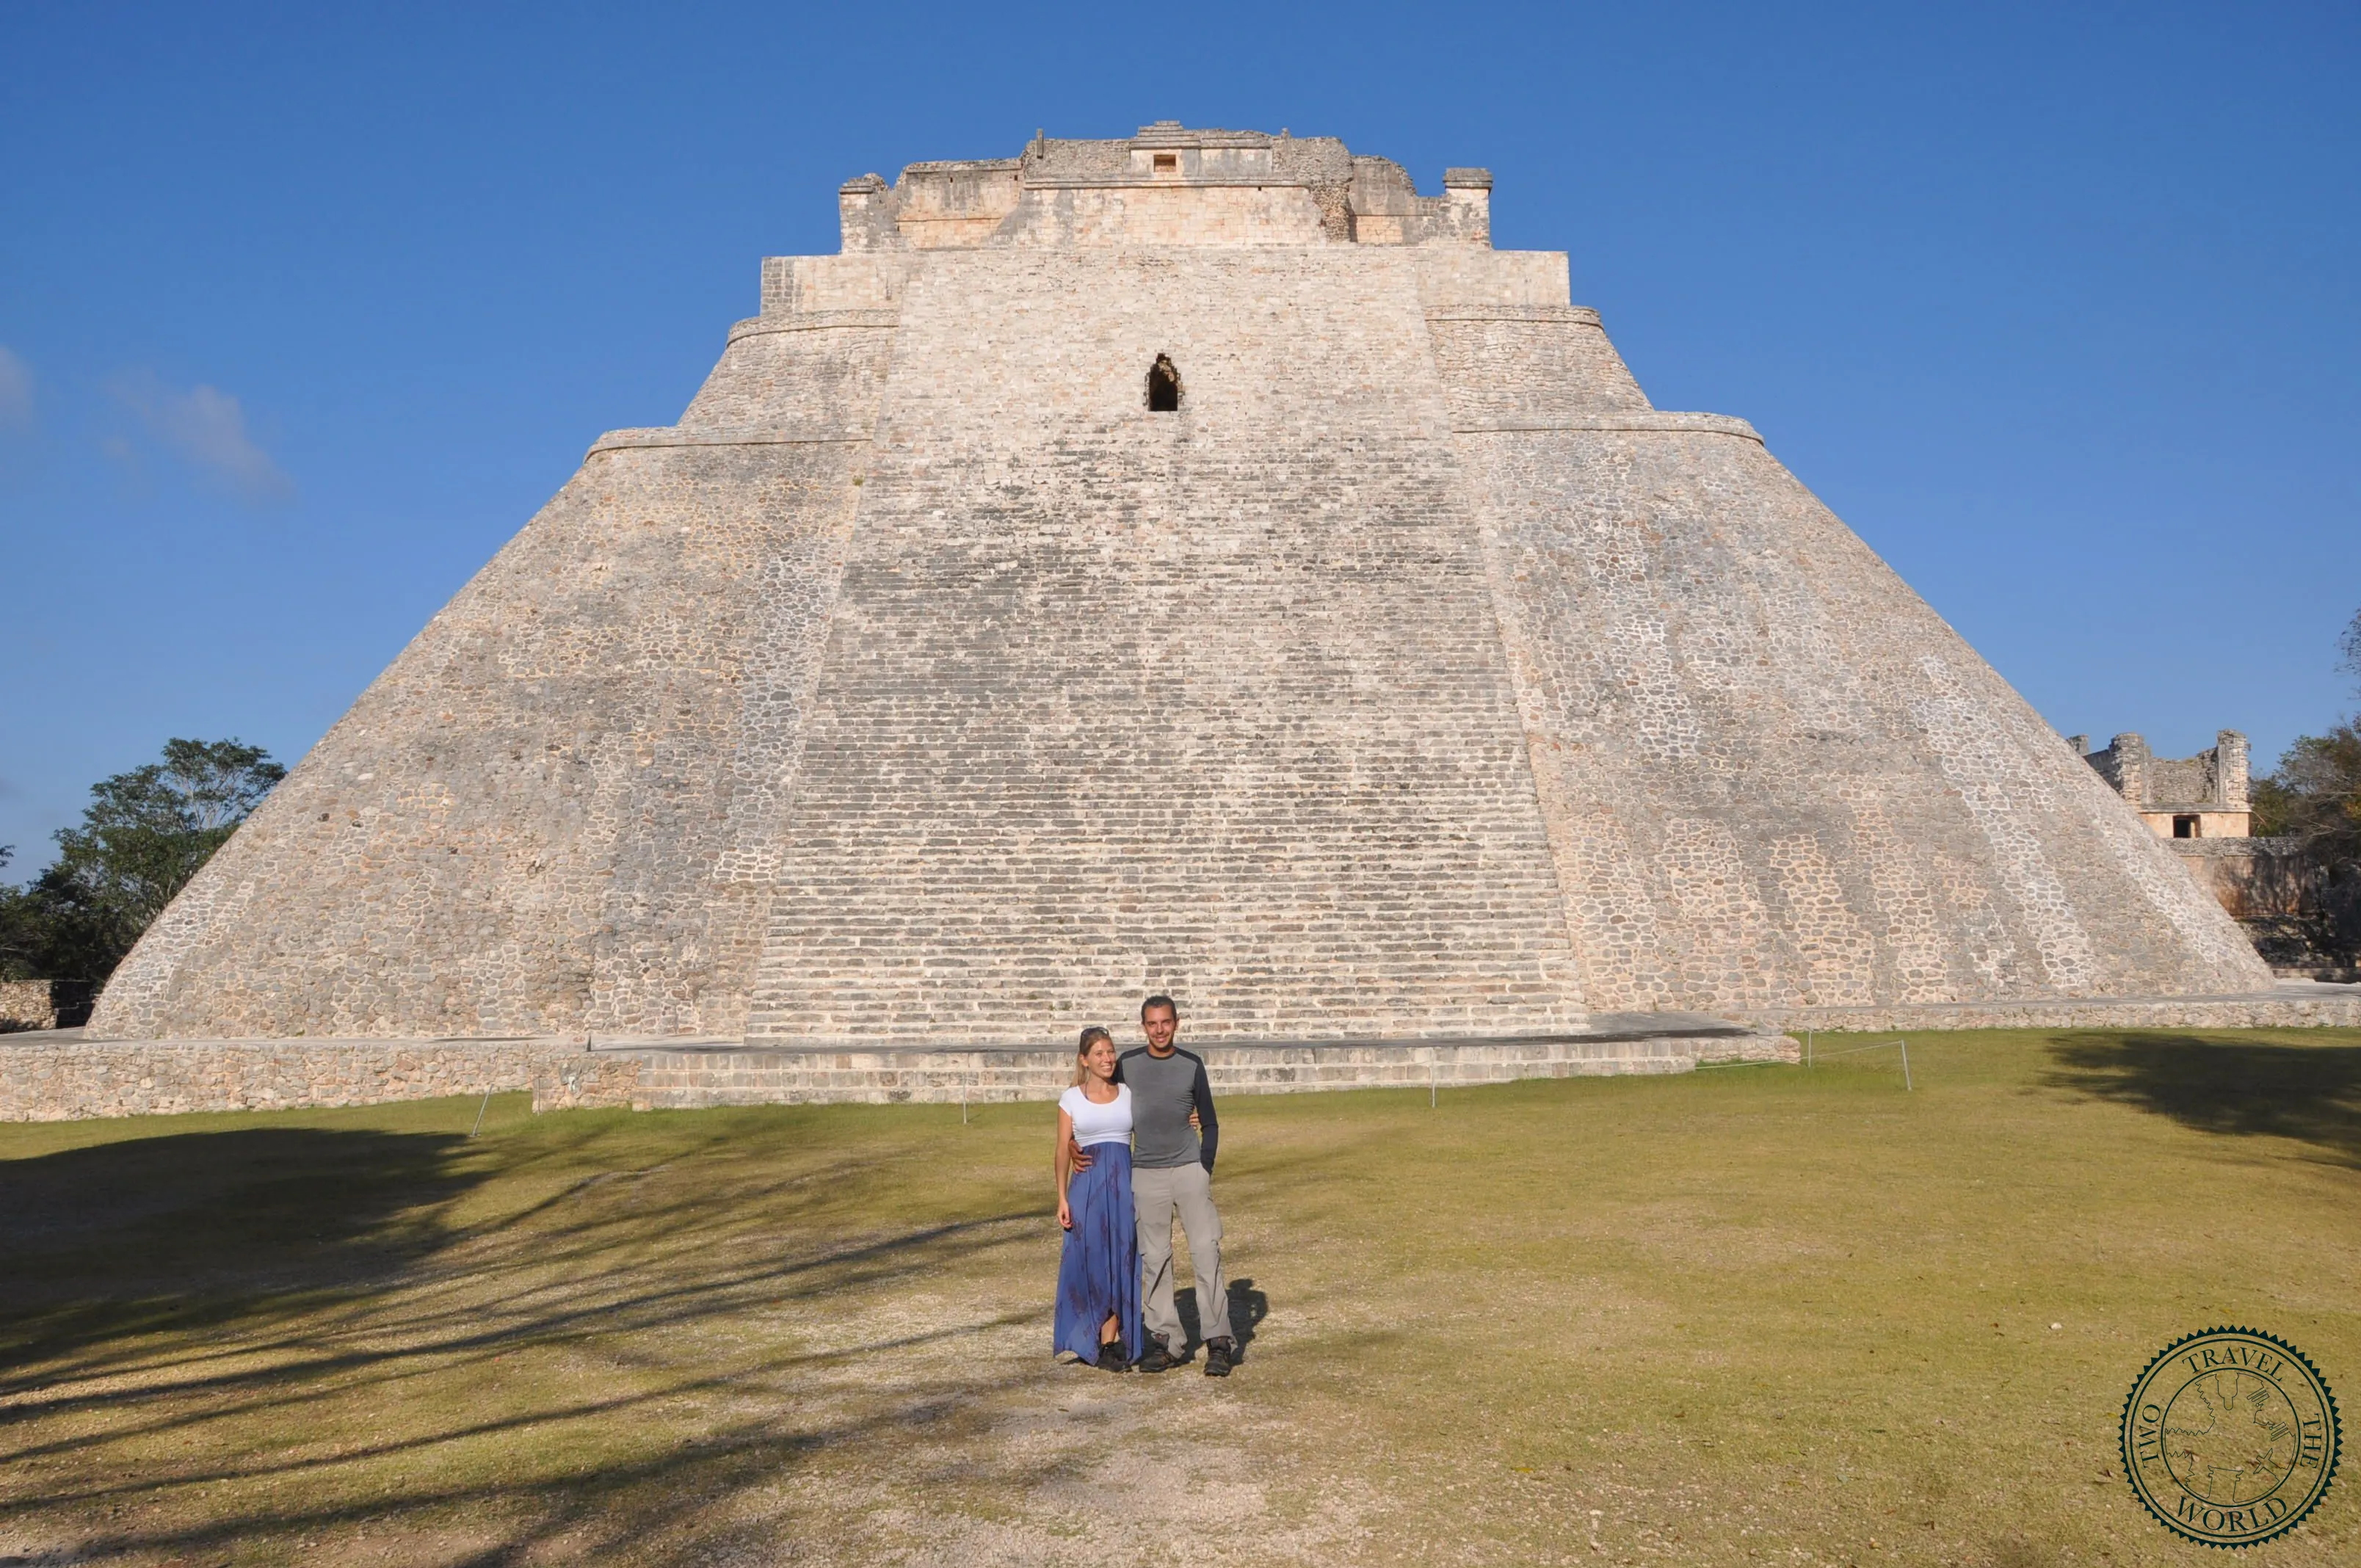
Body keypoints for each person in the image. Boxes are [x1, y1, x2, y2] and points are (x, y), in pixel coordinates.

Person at [1115, 994, 1236, 1376]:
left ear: (1177, 1022)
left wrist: (1205, 1164)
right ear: (1143, 1026)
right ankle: (1167, 1341)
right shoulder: (1128, 1065)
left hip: (1188, 1169)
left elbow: (1211, 1121)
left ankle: (1218, 1341)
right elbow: (1103, 1103)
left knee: (1205, 1252)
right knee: (1154, 1258)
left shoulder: (1191, 1065)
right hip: (1145, 1172)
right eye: (1152, 1024)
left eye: (1165, 1022)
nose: (1159, 1030)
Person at [1053, 1026, 1140, 1371]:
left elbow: (1158, 1121)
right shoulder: (1070, 1098)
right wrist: (1061, 1198)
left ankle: (1110, 1341)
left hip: (1125, 1188)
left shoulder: (1129, 1093)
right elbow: (1062, 1149)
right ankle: (1089, 1338)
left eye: (1110, 1051)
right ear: (1084, 1059)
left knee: (1122, 1260)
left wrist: (1191, 1117)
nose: (1107, 1059)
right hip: (1086, 1190)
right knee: (1089, 1266)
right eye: (1099, 1053)